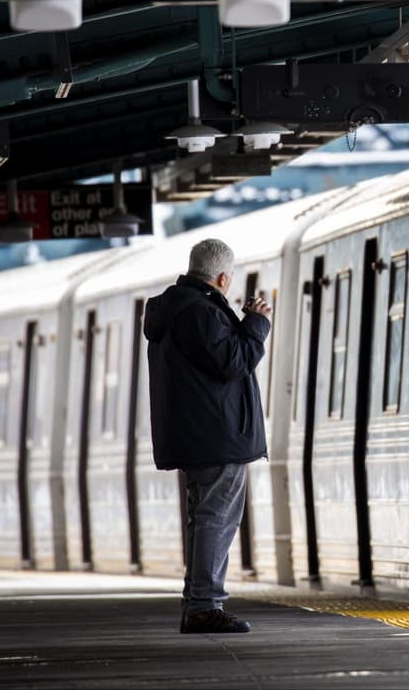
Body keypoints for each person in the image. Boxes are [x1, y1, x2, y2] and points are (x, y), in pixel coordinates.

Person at [143, 238, 271, 634]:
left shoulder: (178, 308)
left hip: (198, 436)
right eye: (228, 281)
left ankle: (197, 602)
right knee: (215, 520)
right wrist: (256, 324)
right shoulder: (200, 311)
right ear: (220, 277)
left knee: (203, 521)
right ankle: (204, 605)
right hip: (217, 437)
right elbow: (233, 362)